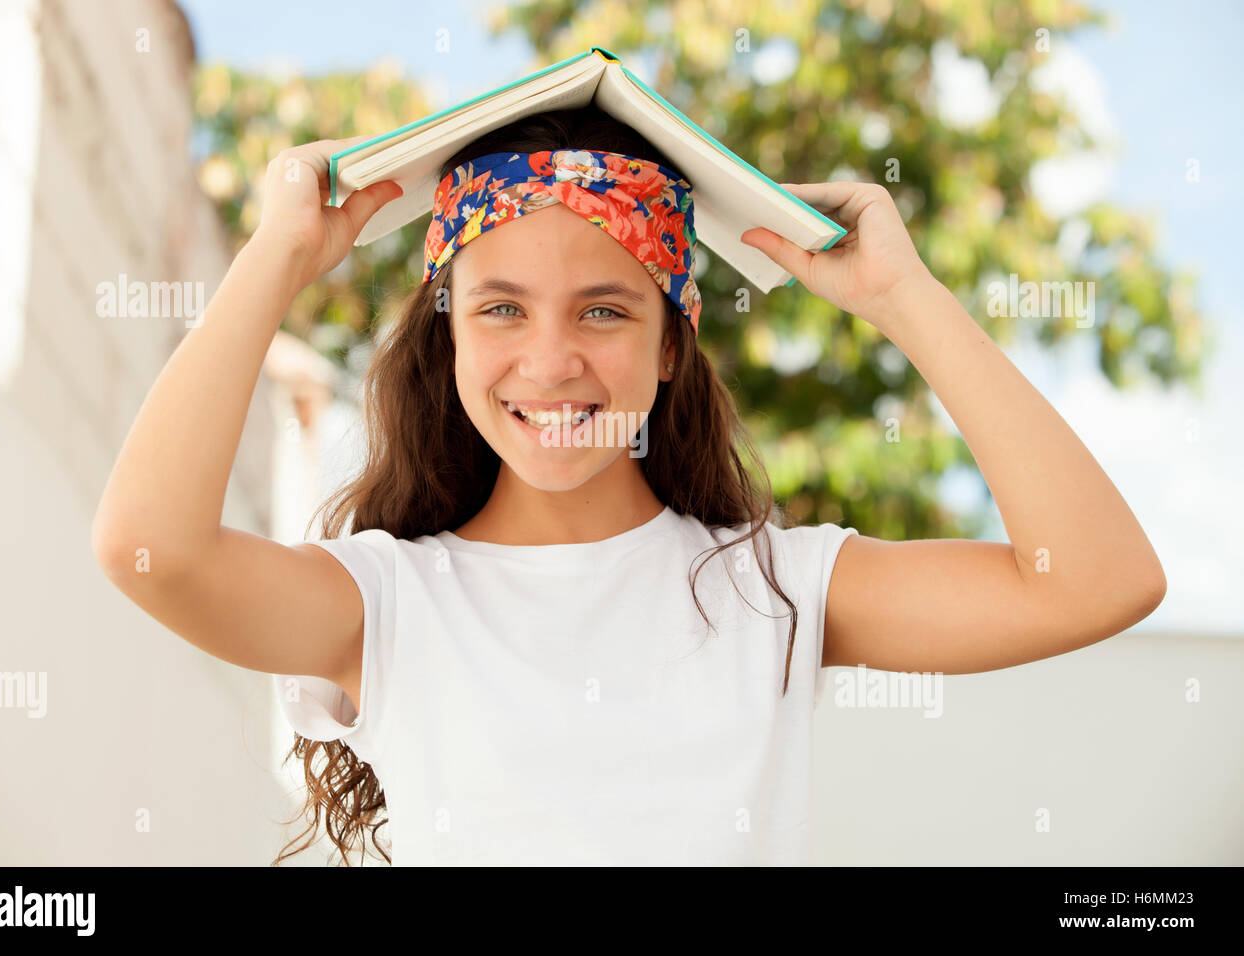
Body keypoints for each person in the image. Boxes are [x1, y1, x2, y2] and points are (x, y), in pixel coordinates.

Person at [92, 105, 1166, 867]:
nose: (551, 361)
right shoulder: (388, 603)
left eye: (603, 309)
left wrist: (900, 293)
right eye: (500, 308)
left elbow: (1094, 581)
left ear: (668, 346)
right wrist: (276, 257)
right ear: (449, 333)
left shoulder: (768, 588)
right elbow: (152, 548)